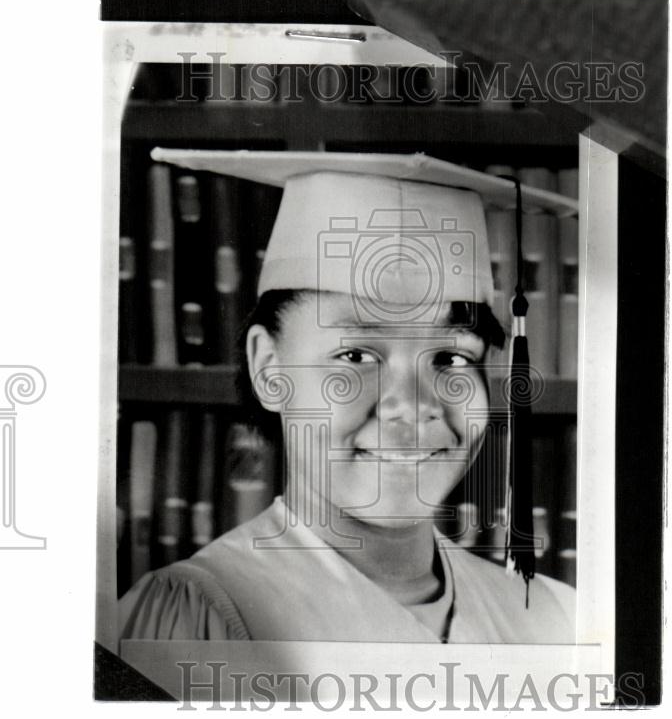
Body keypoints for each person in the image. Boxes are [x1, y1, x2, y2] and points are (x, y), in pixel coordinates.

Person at [119, 151, 575, 644]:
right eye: (356, 355)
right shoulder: (196, 616)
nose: (412, 405)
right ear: (268, 368)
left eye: (452, 357)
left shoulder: (553, 620)